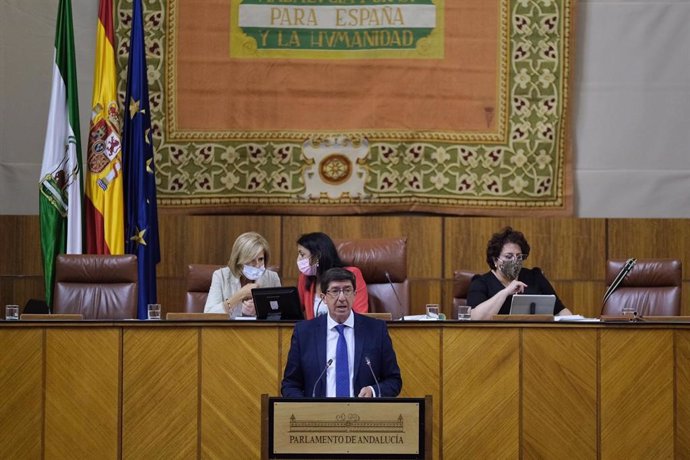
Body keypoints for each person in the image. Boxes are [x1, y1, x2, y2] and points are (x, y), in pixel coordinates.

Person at [281, 267, 402, 398]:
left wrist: (373, 391)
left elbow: (394, 380)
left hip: (363, 414)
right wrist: (306, 408)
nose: (342, 298)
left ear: (355, 294)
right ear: (324, 298)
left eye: (347, 290)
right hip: (318, 415)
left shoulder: (376, 330)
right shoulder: (304, 333)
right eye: (335, 291)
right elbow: (290, 384)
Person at [467, 227, 573, 320]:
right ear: (495, 260)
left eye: (519, 257)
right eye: (508, 257)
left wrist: (575, 323)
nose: (515, 261)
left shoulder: (535, 277)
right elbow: (475, 318)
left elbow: (560, 310)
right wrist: (506, 291)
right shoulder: (481, 282)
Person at [204, 231, 281, 318]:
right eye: (252, 259)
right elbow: (208, 314)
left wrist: (261, 309)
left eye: (260, 259)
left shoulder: (272, 278)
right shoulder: (221, 276)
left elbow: (280, 314)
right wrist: (239, 295)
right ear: (239, 260)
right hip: (229, 330)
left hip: (261, 330)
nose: (257, 265)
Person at [296, 232, 368, 319]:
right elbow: (294, 312)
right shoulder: (305, 279)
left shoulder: (351, 275)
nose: (298, 259)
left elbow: (360, 315)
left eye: (302, 254)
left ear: (317, 256)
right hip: (316, 331)